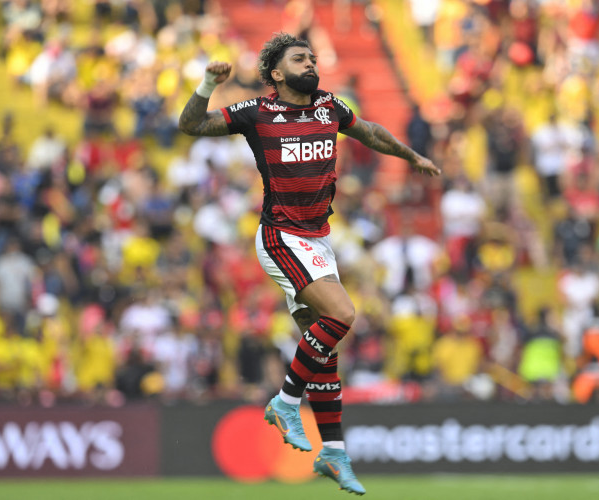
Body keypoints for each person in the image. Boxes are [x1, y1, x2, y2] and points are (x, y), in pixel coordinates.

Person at [179, 32, 440, 495]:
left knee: (324, 352)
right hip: (281, 235)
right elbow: (191, 126)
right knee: (342, 315)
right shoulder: (256, 112)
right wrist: (206, 85)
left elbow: (371, 131)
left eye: (312, 56)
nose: (311, 62)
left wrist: (409, 154)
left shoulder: (329, 106)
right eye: (300, 58)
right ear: (276, 73)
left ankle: (334, 453)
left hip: (319, 239)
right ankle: (284, 402)